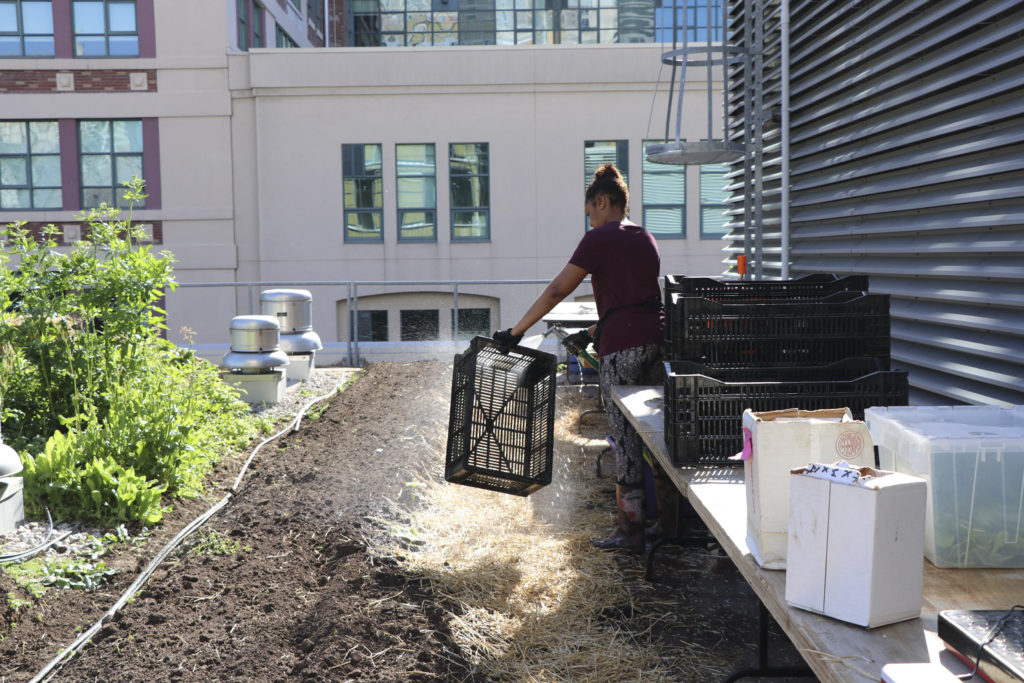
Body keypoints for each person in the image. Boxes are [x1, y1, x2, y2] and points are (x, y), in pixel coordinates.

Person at [493, 163, 672, 554]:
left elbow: (559, 289)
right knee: (657, 435)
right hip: (657, 342)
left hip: (623, 349)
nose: (589, 219)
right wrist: (592, 332)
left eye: (590, 211)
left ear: (602, 202)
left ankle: (630, 532)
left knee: (624, 436)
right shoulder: (645, 237)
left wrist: (516, 331)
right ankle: (666, 524)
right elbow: (636, 301)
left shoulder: (600, 238)